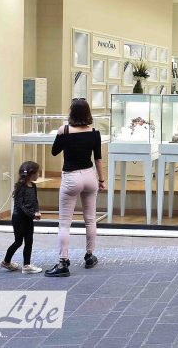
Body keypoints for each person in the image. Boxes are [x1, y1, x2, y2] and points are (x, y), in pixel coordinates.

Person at [45, 98, 104, 277]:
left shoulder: (64, 131)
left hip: (71, 177)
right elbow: (98, 159)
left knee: (64, 223)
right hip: (89, 176)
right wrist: (101, 180)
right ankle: (89, 256)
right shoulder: (94, 133)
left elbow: (54, 151)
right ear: (88, 113)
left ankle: (63, 262)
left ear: (71, 113)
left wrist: (62, 136)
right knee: (90, 219)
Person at [0, 161, 43, 274]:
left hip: (28, 219)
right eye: (37, 173)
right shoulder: (21, 187)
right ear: (31, 174)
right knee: (18, 242)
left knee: (29, 241)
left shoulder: (33, 186)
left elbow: (35, 200)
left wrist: (37, 211)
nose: (39, 174)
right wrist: (32, 215)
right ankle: (6, 262)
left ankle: (26, 265)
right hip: (19, 219)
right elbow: (20, 206)